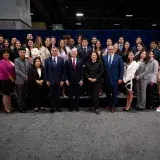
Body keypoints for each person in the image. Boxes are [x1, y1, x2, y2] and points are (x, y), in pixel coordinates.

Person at [102, 45, 124, 113]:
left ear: (114, 49)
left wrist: (120, 78)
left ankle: (113, 106)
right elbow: (102, 69)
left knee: (114, 93)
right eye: (109, 49)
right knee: (108, 93)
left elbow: (121, 69)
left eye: (112, 49)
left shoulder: (119, 57)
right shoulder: (104, 57)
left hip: (115, 78)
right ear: (107, 50)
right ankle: (109, 104)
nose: (110, 50)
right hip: (106, 78)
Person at [45, 47, 64, 113]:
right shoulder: (47, 60)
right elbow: (46, 71)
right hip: (51, 81)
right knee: (52, 95)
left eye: (56, 51)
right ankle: (52, 108)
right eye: (53, 51)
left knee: (58, 95)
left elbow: (63, 71)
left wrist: (62, 80)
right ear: (51, 52)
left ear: (58, 52)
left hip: (59, 81)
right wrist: (46, 80)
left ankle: (58, 107)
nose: (54, 52)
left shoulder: (61, 60)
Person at [14, 47, 31, 113]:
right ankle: (20, 108)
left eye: (23, 52)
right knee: (20, 95)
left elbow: (29, 69)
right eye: (21, 52)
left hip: (26, 80)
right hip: (19, 80)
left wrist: (29, 76)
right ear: (19, 53)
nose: (22, 53)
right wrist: (25, 76)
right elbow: (17, 71)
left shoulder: (27, 60)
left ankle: (24, 106)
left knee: (24, 94)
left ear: (25, 53)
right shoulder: (16, 60)